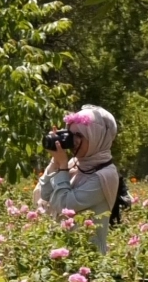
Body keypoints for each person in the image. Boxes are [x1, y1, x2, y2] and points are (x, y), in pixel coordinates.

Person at [33, 105, 120, 254]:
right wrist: (55, 162)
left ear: (96, 137)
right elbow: (43, 195)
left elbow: (65, 207)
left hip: (87, 257)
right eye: (70, 134)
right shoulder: (74, 164)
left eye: (80, 135)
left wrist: (62, 167)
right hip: (61, 252)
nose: (73, 141)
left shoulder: (106, 175)